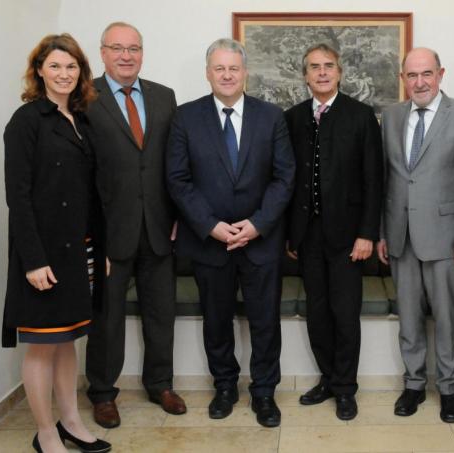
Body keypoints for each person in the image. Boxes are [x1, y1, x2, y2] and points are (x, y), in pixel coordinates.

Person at [166, 38, 295, 428]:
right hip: (210, 242)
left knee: (265, 322)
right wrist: (211, 226)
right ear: (208, 73)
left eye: (233, 68)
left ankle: (264, 393)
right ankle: (224, 387)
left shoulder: (271, 117)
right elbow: (178, 179)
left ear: (245, 73)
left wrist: (256, 225)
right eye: (219, 68)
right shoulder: (185, 118)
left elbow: (284, 177)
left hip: (261, 241)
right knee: (216, 320)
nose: (226, 75)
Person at [2, 33, 111, 453]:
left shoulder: (81, 120)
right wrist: (32, 260)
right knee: (43, 346)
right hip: (43, 255)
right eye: (55, 67)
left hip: (80, 249)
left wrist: (99, 252)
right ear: (39, 72)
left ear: (81, 72)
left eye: (71, 67)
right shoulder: (26, 121)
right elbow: (19, 195)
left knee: (67, 341)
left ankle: (71, 422)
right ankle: (45, 433)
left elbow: (91, 191)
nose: (64, 74)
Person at [377, 47, 454, 424]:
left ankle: (450, 389)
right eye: (412, 76)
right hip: (400, 236)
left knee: (446, 318)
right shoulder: (390, 117)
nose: (419, 82)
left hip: (445, 238)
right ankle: (413, 385)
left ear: (440, 74)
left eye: (426, 74)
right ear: (403, 79)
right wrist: (381, 233)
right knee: (408, 318)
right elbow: (387, 181)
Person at [85, 21, 185, 429]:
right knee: (106, 317)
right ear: (103, 52)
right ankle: (103, 393)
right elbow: (83, 171)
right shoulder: (84, 97)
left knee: (161, 313)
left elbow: (174, 163)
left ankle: (160, 383)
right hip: (111, 229)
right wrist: (92, 231)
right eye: (117, 48)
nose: (126, 56)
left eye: (134, 49)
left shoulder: (164, 97)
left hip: (161, 227)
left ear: (142, 53)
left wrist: (177, 215)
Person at [284, 44, 383, 421]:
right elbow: (288, 179)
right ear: (305, 75)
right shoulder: (293, 118)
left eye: (328, 66)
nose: (322, 73)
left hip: (348, 239)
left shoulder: (361, 116)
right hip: (307, 238)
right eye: (314, 67)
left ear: (339, 72)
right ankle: (327, 378)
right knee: (318, 313)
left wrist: (367, 234)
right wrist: (292, 235)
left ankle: (345, 388)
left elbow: (374, 181)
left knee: (344, 314)